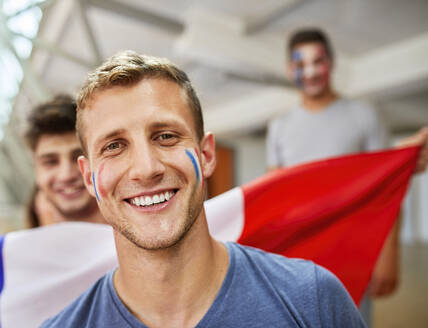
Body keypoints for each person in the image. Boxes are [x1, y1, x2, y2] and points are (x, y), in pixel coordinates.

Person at [41, 50, 365, 327]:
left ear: (206, 155)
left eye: (165, 136)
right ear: (89, 178)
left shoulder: (314, 301)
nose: (146, 168)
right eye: (114, 146)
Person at [266, 28, 428, 323]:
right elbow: (274, 196)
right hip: (297, 254)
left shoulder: (364, 114)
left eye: (319, 61)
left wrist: (388, 254)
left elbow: (387, 188)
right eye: (301, 64)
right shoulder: (279, 126)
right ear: (290, 69)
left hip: (354, 249)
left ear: (332, 62)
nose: (311, 71)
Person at [24, 95, 106, 226]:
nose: (66, 175)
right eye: (50, 162)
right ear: (36, 171)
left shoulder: (143, 240)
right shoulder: (15, 246)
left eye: (78, 157)